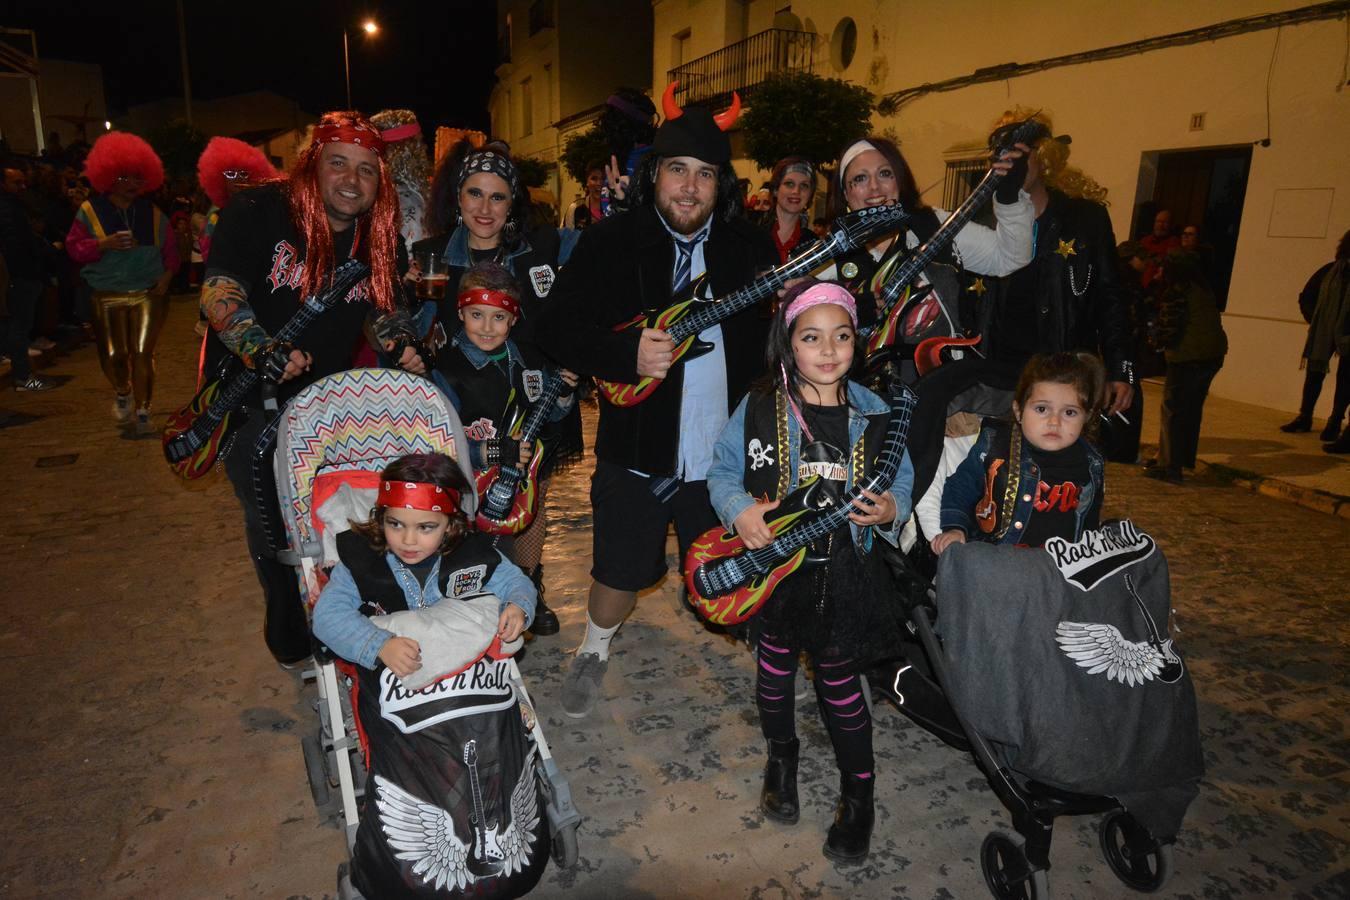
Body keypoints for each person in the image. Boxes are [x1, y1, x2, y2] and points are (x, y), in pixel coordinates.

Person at [536, 84, 777, 718]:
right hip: (636, 447)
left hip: (726, 455)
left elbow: (777, 346)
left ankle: (769, 656)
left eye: (705, 174)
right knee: (618, 572)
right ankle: (594, 648)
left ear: (721, 184)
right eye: (678, 170)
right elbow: (553, 326)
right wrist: (623, 354)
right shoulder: (610, 242)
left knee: (737, 569)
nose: (690, 188)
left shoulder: (750, 248)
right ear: (655, 175)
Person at [200, 110, 428, 665]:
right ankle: (287, 618)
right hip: (248, 396)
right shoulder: (258, 210)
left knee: (336, 513)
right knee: (272, 521)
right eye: (338, 163)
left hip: (327, 404)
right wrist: (261, 348)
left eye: (367, 170)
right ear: (312, 165)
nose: (351, 180)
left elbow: (382, 308)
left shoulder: (380, 235)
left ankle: (343, 614)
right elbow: (218, 291)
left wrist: (401, 343)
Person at [705, 279, 912, 864]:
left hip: (847, 571)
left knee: (840, 686)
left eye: (841, 336)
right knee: (773, 675)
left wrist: (891, 509)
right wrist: (738, 510)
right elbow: (722, 470)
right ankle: (781, 757)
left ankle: (859, 793)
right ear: (788, 343)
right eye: (811, 337)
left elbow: (902, 478)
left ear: (857, 343)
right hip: (777, 572)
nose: (828, 350)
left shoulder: (877, 413)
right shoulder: (759, 406)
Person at [413, 143, 581, 634]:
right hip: (460, 395)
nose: (485, 208)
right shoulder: (429, 256)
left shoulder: (543, 246)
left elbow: (606, 257)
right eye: (475, 194)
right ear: (457, 197)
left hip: (536, 391)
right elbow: (409, 324)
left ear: (513, 203)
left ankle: (527, 588)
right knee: (460, 502)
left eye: (498, 197)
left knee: (529, 496)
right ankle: (466, 586)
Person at [436, 261, 579, 634]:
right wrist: (493, 453)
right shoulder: (445, 369)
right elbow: (439, 442)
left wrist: (562, 394)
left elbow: (550, 416)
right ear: (460, 312)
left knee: (509, 552)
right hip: (466, 491)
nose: (487, 327)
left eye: (498, 317)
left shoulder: (529, 360)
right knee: (467, 563)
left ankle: (518, 601)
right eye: (476, 315)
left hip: (515, 485)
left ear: (513, 318)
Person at [312, 452, 536, 679]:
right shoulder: (361, 562)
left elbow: (514, 581)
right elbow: (327, 616)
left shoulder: (472, 555)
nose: (408, 540)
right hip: (395, 677)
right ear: (381, 518)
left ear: (450, 525)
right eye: (395, 524)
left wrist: (517, 605)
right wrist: (379, 645)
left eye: (425, 527)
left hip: (465, 671)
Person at [824, 134, 1033, 332]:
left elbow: (1008, 258)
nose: (875, 187)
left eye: (885, 174)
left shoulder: (935, 224)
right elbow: (805, 315)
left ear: (900, 180)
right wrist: (844, 312)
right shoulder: (830, 253)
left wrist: (1009, 196)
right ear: (845, 193)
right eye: (860, 178)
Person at [932, 352, 1106, 554]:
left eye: (1069, 412)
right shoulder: (995, 444)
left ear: (1086, 417)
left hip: (1058, 566)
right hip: (996, 558)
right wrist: (956, 528)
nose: (1054, 422)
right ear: (1019, 411)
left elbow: (1088, 523)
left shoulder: (1090, 463)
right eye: (1042, 409)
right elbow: (961, 487)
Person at [65, 132, 179, 433]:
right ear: (109, 177)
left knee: (142, 352)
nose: (132, 184)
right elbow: (73, 248)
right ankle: (123, 390)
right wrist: (103, 244)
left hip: (147, 292)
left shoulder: (152, 213)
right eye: (125, 177)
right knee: (114, 356)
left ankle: (143, 410)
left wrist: (166, 277)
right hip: (106, 293)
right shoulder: (90, 211)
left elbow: (171, 251)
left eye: (138, 177)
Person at [1143, 246, 1227, 483]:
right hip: (1212, 355)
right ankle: (1182, 460)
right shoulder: (1203, 288)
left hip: (1187, 357)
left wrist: (1154, 342)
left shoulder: (1177, 290)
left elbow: (1170, 326)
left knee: (1174, 410)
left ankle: (1170, 466)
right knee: (1191, 410)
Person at [1282, 229, 1350, 451]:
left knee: (1346, 379)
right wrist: (1317, 320)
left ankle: (1334, 421)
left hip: (1347, 335)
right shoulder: (1330, 271)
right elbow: (1306, 296)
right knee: (1314, 372)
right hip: (1324, 331)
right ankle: (1305, 416)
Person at [1, 166, 57, 392]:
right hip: (19, 274)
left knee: (18, 326)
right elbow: (17, 244)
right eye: (16, 182)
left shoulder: (14, 206)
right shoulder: (7, 209)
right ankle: (23, 378)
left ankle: (24, 375)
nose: (23, 187)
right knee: (19, 326)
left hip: (21, 273)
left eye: (23, 182)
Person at [195, 137, 278, 266]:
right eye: (230, 174)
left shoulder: (260, 212)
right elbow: (211, 259)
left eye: (243, 174)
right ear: (218, 179)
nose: (238, 179)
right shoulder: (215, 218)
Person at [369, 109, 431, 253]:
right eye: (419, 142)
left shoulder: (379, 191)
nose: (425, 148)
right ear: (405, 151)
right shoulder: (404, 199)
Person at [764, 156, 816, 264]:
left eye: (804, 185)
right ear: (775, 189)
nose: (796, 191)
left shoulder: (813, 243)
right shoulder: (752, 233)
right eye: (789, 184)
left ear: (810, 195)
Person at [561, 160, 604, 230]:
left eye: (603, 179)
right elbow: (566, 235)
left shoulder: (614, 208)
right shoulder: (575, 208)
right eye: (594, 178)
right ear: (587, 182)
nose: (599, 183)